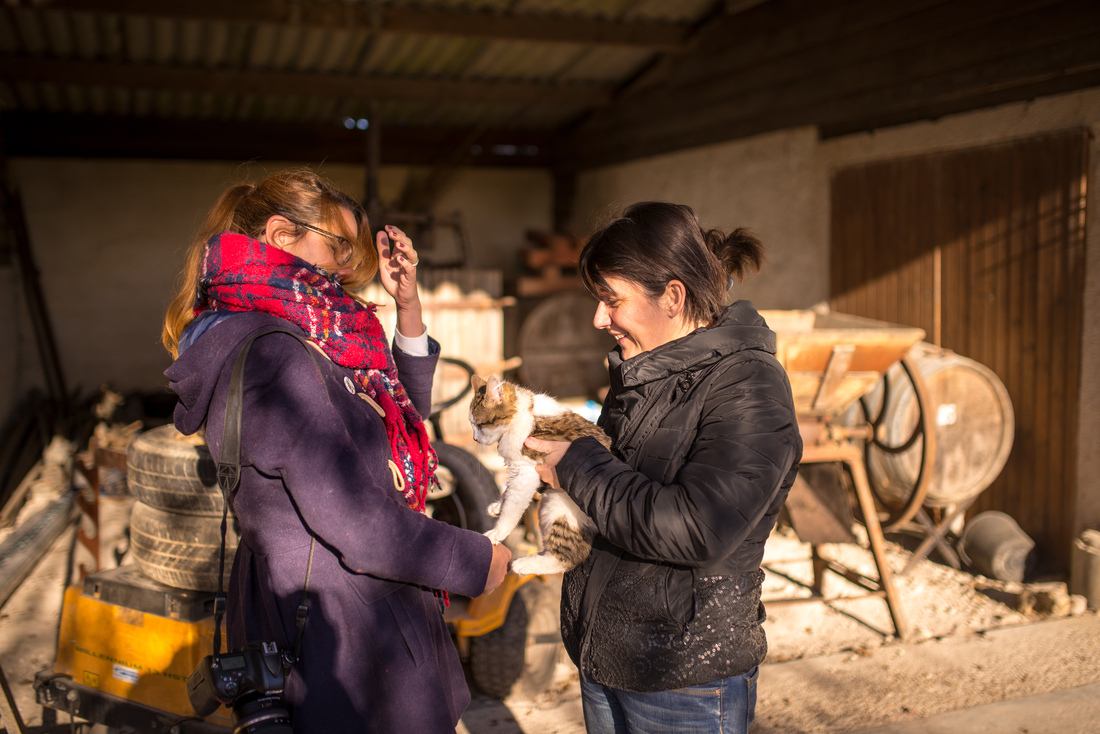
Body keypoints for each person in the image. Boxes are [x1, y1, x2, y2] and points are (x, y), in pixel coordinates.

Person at [161, 169, 511, 733]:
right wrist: (473, 560)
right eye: (339, 246)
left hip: (334, 603)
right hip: (342, 632)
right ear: (281, 235)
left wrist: (408, 307)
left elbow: (395, 421)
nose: (348, 266)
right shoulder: (277, 354)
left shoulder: (303, 332)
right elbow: (358, 523)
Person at [525, 202, 802, 734]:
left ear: (673, 297)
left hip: (684, 676)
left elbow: (697, 527)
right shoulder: (645, 372)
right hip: (607, 656)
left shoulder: (749, 385)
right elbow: (614, 493)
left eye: (612, 300)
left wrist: (574, 462)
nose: (599, 319)